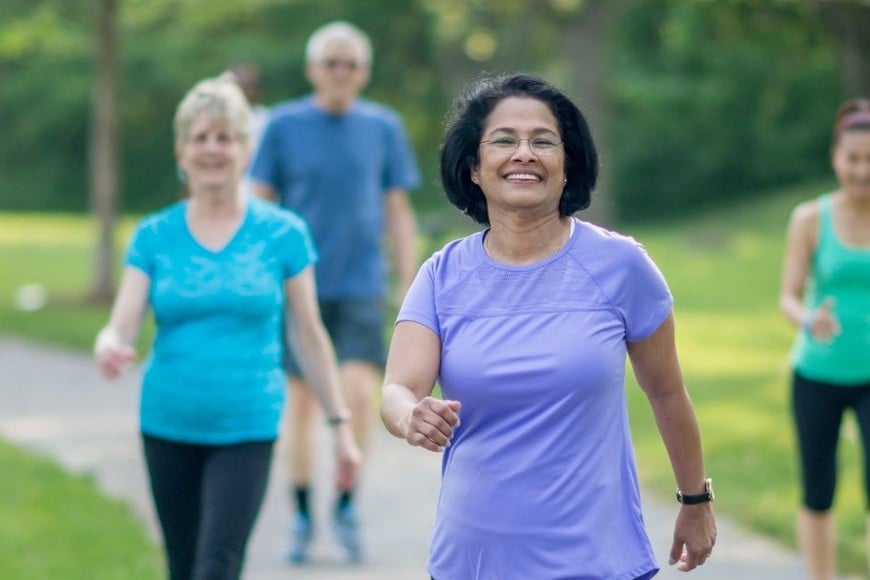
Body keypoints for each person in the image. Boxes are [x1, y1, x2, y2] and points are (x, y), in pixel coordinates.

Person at [379, 73, 717, 579]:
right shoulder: (441, 275)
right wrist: (410, 416)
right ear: (473, 167)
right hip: (473, 559)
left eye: (543, 141)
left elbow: (668, 393)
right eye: (503, 140)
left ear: (566, 165)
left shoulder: (621, 266)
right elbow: (398, 389)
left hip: (597, 559)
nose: (524, 153)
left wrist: (695, 501)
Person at [93, 75, 361, 580]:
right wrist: (109, 345)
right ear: (182, 149)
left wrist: (340, 428)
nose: (213, 149)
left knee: (217, 566)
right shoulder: (154, 234)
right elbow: (121, 325)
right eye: (201, 138)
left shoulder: (283, 233)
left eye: (225, 137)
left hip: (247, 424)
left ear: (246, 148)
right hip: (167, 424)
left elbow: (309, 334)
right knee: (183, 566)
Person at [249, 21, 420, 564]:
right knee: (300, 402)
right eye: (331, 63)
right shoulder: (282, 125)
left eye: (350, 64)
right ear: (313, 70)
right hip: (296, 287)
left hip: (360, 283)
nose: (341, 73)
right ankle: (302, 513)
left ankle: (346, 499)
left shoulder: (383, 127)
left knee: (357, 393)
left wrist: (410, 282)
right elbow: (259, 204)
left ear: (364, 72)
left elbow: (397, 209)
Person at [779, 98, 870, 580]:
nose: (862, 170)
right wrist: (809, 319)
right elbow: (788, 297)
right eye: (853, 158)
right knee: (818, 491)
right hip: (816, 373)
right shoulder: (810, 219)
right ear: (837, 157)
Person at [226, 62, 271, 198]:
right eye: (239, 86)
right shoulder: (212, 122)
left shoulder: (268, 121)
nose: (244, 92)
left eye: (250, 86)